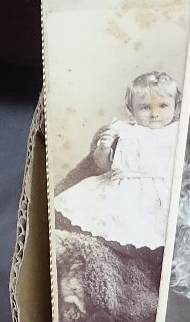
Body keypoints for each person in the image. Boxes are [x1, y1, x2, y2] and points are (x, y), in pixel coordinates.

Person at [54, 71, 182, 252]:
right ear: (131, 111)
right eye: (145, 107)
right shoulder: (125, 131)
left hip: (159, 192)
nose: (155, 114)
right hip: (122, 188)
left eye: (163, 105)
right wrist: (104, 148)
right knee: (107, 220)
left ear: (175, 108)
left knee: (156, 231)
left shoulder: (177, 132)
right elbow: (102, 165)